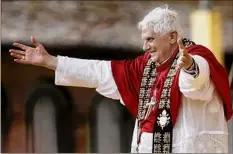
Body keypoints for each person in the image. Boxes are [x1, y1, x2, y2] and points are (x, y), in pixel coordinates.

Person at [9, 5, 232, 153]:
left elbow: (196, 83)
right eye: (144, 40)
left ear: (173, 37)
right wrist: (51, 61)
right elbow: (100, 72)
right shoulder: (144, 67)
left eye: (151, 39)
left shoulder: (198, 56)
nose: (145, 46)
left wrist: (188, 66)